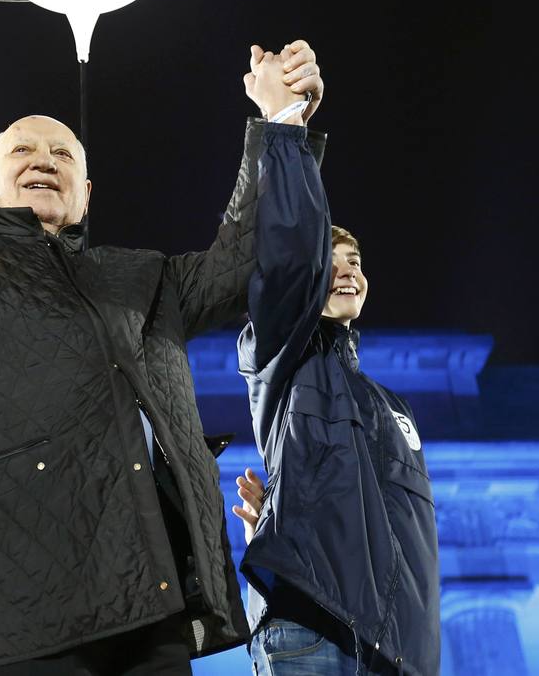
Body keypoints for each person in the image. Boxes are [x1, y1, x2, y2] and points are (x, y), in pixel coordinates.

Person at [0, 40, 326, 674]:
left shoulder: (145, 279)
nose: (45, 160)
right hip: (7, 607)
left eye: (63, 153)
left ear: (85, 195)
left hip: (150, 607)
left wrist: (280, 124)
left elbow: (250, 258)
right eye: (23, 150)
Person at [227, 75, 441, 676]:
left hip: (390, 646)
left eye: (356, 263)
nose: (345, 272)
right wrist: (286, 127)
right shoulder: (283, 357)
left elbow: (396, 533)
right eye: (333, 263)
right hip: (312, 625)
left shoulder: (390, 405)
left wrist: (285, 514)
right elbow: (290, 261)